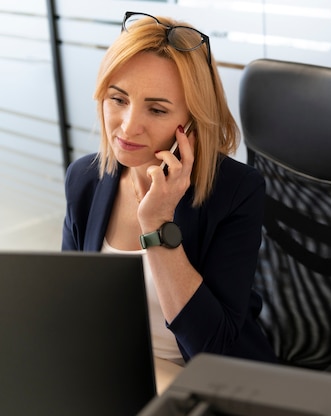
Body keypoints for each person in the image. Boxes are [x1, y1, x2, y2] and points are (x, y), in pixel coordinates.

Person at [62, 11, 277, 366]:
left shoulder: (236, 191)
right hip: (114, 372)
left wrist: (158, 224)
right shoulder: (84, 179)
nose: (128, 128)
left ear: (191, 122)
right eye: (118, 100)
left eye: (157, 110)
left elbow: (214, 351)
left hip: (204, 385)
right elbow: (70, 306)